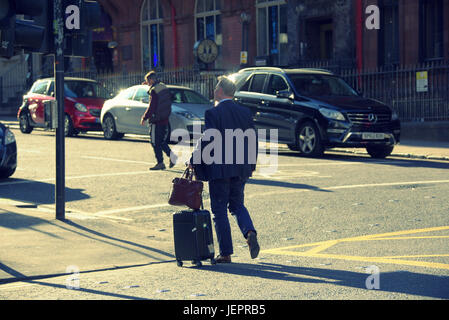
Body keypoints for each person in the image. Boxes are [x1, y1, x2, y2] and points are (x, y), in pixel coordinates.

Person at [189, 76, 259, 263]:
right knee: (237, 205)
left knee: (219, 210)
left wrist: (194, 159)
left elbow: (208, 138)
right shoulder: (245, 112)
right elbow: (253, 139)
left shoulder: (213, 113)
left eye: (216, 88)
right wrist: (251, 165)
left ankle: (226, 253)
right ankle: (249, 231)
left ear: (220, 91)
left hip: (220, 168)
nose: (213, 90)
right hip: (241, 167)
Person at [140, 71, 176, 170]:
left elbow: (152, 106)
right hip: (164, 118)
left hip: (156, 120)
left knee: (154, 141)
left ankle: (160, 163)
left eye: (147, 81)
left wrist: (144, 117)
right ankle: (172, 157)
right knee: (161, 141)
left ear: (151, 80)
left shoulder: (154, 90)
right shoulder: (163, 87)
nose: (147, 83)